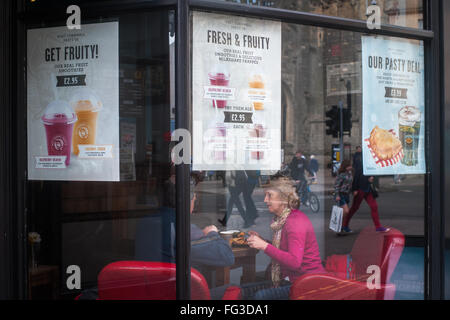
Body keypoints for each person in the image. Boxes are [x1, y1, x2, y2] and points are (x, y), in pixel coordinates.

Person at [243, 178, 326, 300]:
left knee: (258, 296)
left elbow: (294, 262)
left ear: (283, 199)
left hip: (307, 284)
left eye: (269, 195)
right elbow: (284, 249)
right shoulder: (283, 219)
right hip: (294, 279)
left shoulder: (294, 222)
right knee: (244, 291)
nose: (265, 200)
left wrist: (264, 246)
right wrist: (263, 241)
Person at [341, 161, 390, 234]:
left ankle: (378, 227)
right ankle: (345, 225)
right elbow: (357, 177)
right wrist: (355, 189)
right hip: (361, 189)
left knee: (374, 206)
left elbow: (372, 176)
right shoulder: (361, 164)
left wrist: (371, 179)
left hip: (368, 189)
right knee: (355, 208)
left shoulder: (372, 164)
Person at [333, 160, 353, 231]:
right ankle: (337, 223)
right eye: (349, 166)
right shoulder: (341, 174)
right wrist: (337, 195)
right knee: (346, 211)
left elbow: (350, 184)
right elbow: (336, 186)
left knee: (345, 212)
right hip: (341, 194)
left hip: (346, 194)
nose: (350, 167)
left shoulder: (350, 173)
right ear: (345, 167)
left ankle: (341, 227)